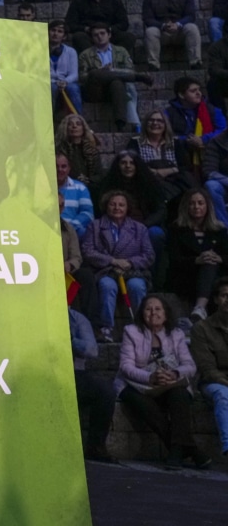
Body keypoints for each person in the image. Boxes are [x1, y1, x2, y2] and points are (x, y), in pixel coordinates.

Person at [117, 294, 211, 467]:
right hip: (136, 385)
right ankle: (189, 449)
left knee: (180, 395)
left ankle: (176, 452)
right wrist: (150, 377)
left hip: (168, 382)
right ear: (142, 313)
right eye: (148, 309)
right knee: (143, 404)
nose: (153, 313)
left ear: (166, 314)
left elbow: (189, 365)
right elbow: (126, 367)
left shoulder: (176, 334)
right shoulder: (131, 331)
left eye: (158, 309)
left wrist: (175, 374)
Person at [84, 191, 154, 342]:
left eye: (121, 205)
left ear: (127, 207)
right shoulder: (95, 226)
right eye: (113, 204)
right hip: (106, 271)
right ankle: (106, 328)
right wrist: (112, 261)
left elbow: (149, 255)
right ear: (106, 206)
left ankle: (142, 326)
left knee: (137, 287)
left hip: (133, 272)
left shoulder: (139, 228)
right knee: (107, 286)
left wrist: (129, 263)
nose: (117, 207)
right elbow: (88, 251)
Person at [165, 190, 227, 322]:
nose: (196, 207)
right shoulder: (176, 229)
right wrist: (197, 260)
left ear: (207, 206)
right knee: (208, 262)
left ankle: (200, 308)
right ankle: (199, 309)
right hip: (186, 276)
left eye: (200, 203)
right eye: (192, 203)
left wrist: (220, 258)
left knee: (210, 262)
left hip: (214, 277)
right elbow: (174, 259)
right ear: (186, 207)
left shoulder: (219, 230)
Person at [67, 301, 116, 464]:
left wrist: (71, 340)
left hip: (73, 374)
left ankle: (96, 446)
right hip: (38, 371)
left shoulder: (76, 319)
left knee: (105, 390)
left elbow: (92, 350)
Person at [79, 22, 149, 133]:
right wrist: (101, 72)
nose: (99, 37)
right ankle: (136, 77)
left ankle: (120, 123)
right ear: (92, 38)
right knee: (95, 74)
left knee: (116, 82)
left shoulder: (121, 51)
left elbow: (129, 69)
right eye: (96, 35)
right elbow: (82, 77)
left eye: (102, 33)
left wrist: (111, 72)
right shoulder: (85, 54)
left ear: (109, 35)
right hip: (96, 91)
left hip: (116, 90)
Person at [188, 279, 228, 458]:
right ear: (216, 299)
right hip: (214, 382)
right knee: (223, 395)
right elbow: (207, 368)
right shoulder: (202, 328)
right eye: (224, 295)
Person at [145, 0, 204, 71]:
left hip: (180, 32)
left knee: (192, 27)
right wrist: (163, 26)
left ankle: (195, 62)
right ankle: (153, 64)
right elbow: (147, 19)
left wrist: (178, 24)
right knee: (150, 31)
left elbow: (190, 15)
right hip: (161, 32)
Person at [65, 0, 134, 53]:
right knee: (78, 37)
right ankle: (94, 62)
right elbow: (70, 24)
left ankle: (115, 61)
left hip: (110, 33)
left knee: (128, 37)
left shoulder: (114, 1)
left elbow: (123, 23)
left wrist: (108, 30)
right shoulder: (78, 1)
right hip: (88, 34)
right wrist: (86, 29)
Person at [54, 113, 100, 186]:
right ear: (65, 128)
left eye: (78, 124)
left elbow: (99, 174)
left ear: (83, 128)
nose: (74, 126)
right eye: (70, 124)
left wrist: (88, 180)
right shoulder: (59, 149)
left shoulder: (92, 150)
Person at [48, 21, 81, 118]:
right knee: (52, 88)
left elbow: (74, 74)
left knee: (74, 88)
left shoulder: (71, 51)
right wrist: (53, 81)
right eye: (53, 30)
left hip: (66, 82)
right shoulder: (39, 49)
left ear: (64, 36)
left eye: (59, 31)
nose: (55, 34)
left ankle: (77, 120)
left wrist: (65, 82)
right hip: (48, 82)